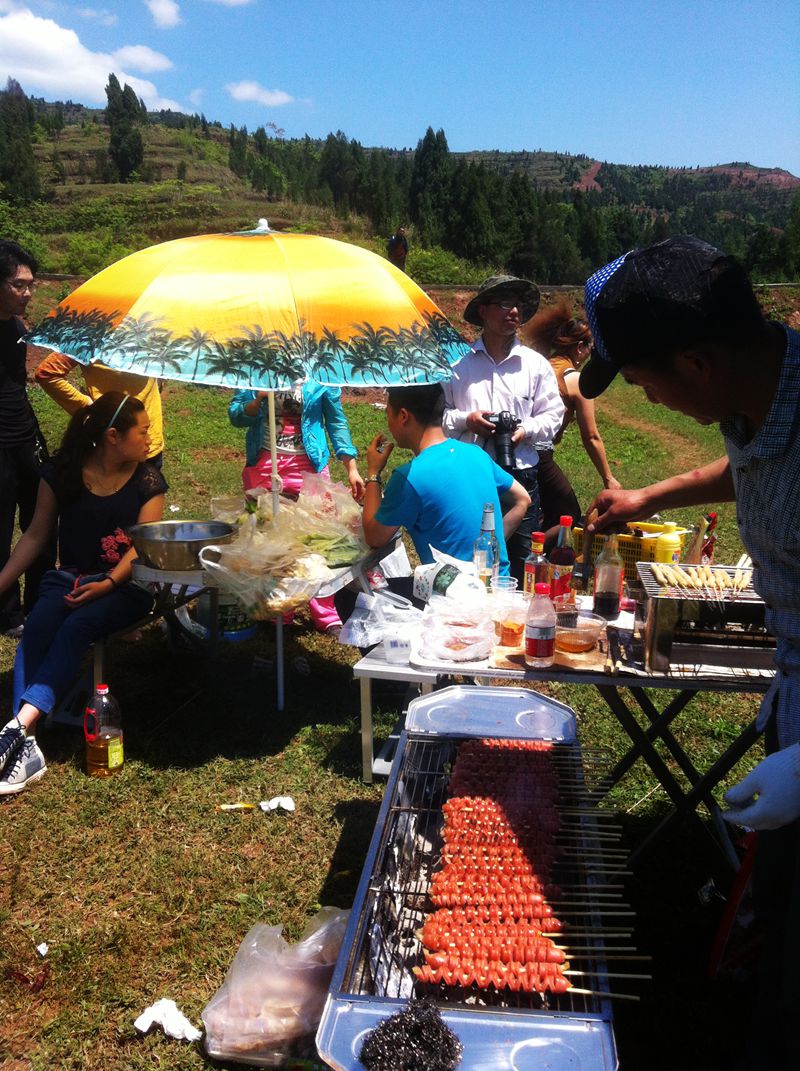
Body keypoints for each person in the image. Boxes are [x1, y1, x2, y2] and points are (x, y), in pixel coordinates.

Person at [579, 235, 799, 1071]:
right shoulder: (758, 388)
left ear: (697, 363)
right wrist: (652, 493)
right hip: (792, 693)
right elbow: (750, 463)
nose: (650, 399)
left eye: (645, 384)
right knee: (776, 914)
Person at [0, 392, 167, 795]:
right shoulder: (63, 474)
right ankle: (27, 742)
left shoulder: (148, 481)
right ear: (113, 436)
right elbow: (35, 536)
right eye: (142, 431)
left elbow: (141, 549)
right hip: (70, 579)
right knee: (38, 626)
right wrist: (1, 582)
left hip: (127, 586)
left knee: (78, 626)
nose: (149, 439)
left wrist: (108, 583)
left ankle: (17, 727)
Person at [442, 275, 564, 584]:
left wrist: (525, 430)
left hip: (520, 475)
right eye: (505, 304)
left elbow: (554, 416)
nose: (514, 311)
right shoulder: (457, 365)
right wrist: (467, 420)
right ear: (483, 311)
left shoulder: (535, 365)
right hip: (469, 473)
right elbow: (438, 418)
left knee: (522, 559)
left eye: (518, 305)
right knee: (468, 555)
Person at [228, 384, 365, 633]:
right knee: (270, 541)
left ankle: (324, 611)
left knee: (320, 538)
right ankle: (279, 609)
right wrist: (256, 401)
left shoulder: (321, 374)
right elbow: (236, 416)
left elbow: (336, 421)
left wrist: (351, 467)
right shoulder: (256, 373)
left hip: (309, 467)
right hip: (265, 467)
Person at [361, 383, 530, 573]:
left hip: (454, 590)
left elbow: (374, 537)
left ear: (403, 416)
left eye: (388, 414)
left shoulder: (409, 478)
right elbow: (522, 499)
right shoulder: (476, 454)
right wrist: (484, 552)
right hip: (498, 583)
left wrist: (373, 473)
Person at [522, 302, 622, 539]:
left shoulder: (541, 366)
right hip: (538, 453)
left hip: (517, 447)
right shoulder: (575, 379)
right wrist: (609, 478)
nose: (589, 355)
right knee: (568, 515)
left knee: (539, 511)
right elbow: (591, 436)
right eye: (590, 349)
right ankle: (531, 554)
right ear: (579, 347)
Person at [0, 239, 55, 637]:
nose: (28, 293)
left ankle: (41, 602)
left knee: (45, 518)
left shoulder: (17, 328)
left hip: (26, 437)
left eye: (30, 284)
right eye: (19, 284)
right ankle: (8, 614)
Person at [35, 351, 165, 467]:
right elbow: (47, 373)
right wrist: (89, 406)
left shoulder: (152, 332)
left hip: (150, 438)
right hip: (118, 442)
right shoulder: (91, 335)